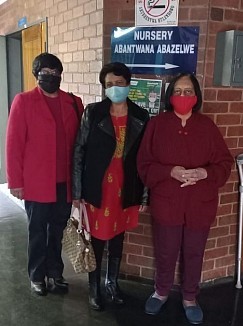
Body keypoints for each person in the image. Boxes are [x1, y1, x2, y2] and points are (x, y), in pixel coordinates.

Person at [137, 72, 233, 324]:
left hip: (199, 204)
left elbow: (224, 163)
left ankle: (190, 297)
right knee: (166, 250)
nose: (183, 96)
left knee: (194, 252)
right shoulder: (157, 125)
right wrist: (171, 171)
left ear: (196, 96)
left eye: (188, 91)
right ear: (170, 96)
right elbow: (144, 163)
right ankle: (161, 291)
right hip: (167, 202)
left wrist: (204, 172)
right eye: (178, 91)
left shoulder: (207, 126)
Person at [72, 62, 150, 311]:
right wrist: (77, 192)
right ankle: (94, 289)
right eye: (109, 84)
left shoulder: (141, 116)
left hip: (127, 187)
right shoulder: (93, 113)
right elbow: (79, 151)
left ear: (128, 84)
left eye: (119, 83)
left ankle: (111, 283)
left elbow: (146, 159)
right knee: (96, 241)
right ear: (103, 87)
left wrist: (145, 196)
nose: (114, 88)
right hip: (98, 187)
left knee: (118, 237)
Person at [5, 52, 84, 296]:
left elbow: (81, 144)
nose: (50, 76)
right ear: (36, 74)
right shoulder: (24, 101)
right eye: (45, 72)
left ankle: (55, 273)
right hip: (37, 183)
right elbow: (13, 144)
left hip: (65, 182)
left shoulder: (73, 102)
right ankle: (37, 275)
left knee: (58, 231)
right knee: (37, 231)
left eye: (55, 72)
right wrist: (15, 182)